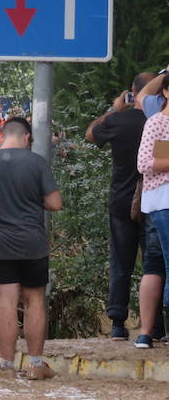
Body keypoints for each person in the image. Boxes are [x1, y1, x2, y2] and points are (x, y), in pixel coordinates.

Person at [0, 118, 62, 380]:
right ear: (27, 138)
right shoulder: (36, 163)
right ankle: (35, 364)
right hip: (31, 243)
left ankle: (6, 366)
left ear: (2, 135)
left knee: (6, 304)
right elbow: (55, 203)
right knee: (34, 302)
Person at [86, 73, 166, 344]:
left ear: (132, 92)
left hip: (122, 200)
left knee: (121, 261)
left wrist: (113, 109)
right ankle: (156, 326)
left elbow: (90, 134)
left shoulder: (118, 120)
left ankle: (118, 322)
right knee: (156, 262)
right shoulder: (156, 119)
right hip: (153, 199)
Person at [137, 74, 169, 345]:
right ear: (166, 92)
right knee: (156, 264)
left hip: (159, 203)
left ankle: (149, 332)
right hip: (161, 201)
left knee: (156, 263)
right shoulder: (156, 122)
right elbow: (144, 163)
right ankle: (147, 331)